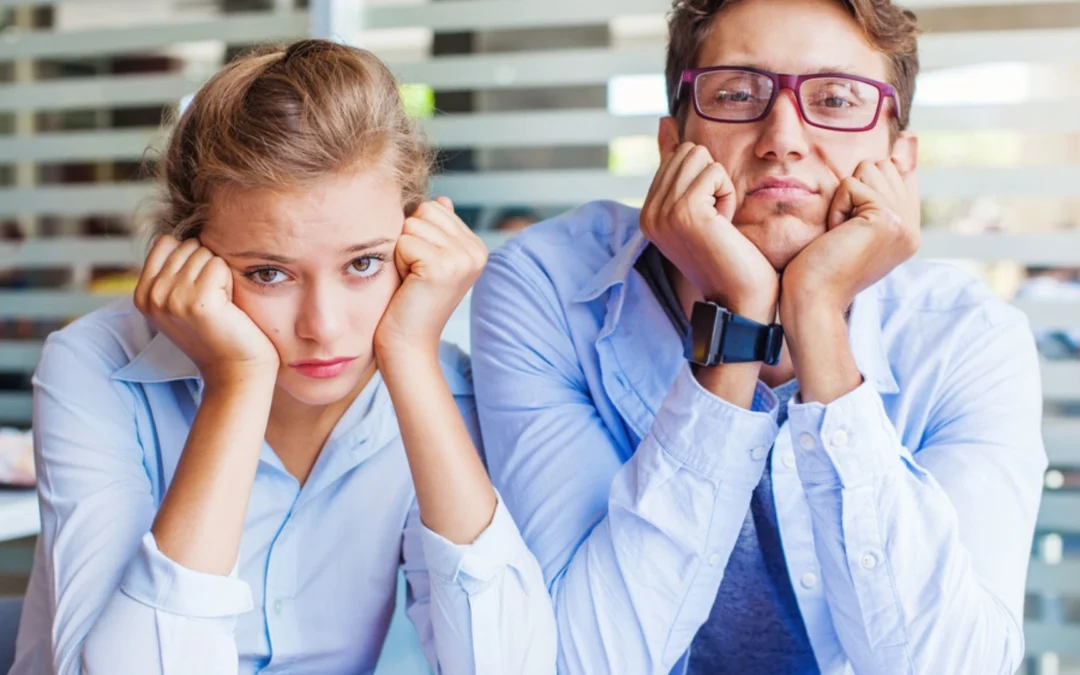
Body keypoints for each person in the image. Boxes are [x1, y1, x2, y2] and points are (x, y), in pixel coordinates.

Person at [470, 0, 1047, 672]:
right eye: (738, 94)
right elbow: (583, 660)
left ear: (900, 161)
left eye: (835, 99)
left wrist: (817, 313)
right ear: (670, 144)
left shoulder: (970, 340)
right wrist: (737, 315)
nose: (784, 138)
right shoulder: (546, 287)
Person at [13, 40, 555, 675]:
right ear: (191, 258)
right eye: (269, 273)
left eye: (363, 263)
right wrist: (236, 384)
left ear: (411, 244)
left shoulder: (439, 387)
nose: (323, 328)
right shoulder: (94, 368)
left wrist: (410, 356)